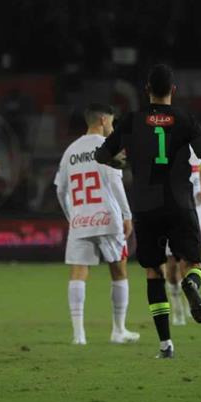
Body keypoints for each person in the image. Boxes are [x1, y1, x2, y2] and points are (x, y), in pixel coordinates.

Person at [94, 64, 201, 359]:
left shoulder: (131, 120)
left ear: (146, 91)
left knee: (154, 272)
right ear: (174, 90)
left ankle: (165, 345)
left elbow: (101, 154)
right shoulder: (185, 119)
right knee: (195, 263)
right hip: (180, 202)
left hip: (146, 205)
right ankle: (191, 283)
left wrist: (124, 162)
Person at [54, 103, 140, 345]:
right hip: (108, 218)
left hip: (81, 219)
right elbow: (115, 183)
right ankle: (118, 330)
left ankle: (78, 335)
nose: (112, 127)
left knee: (78, 273)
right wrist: (126, 215)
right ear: (103, 119)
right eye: (111, 122)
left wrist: (72, 216)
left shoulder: (70, 150)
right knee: (119, 270)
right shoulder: (107, 147)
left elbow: (60, 190)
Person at [165, 146, 201, 325]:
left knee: (195, 261)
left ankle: (191, 300)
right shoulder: (165, 151)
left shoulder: (197, 149)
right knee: (171, 265)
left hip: (197, 212)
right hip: (174, 213)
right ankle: (177, 308)